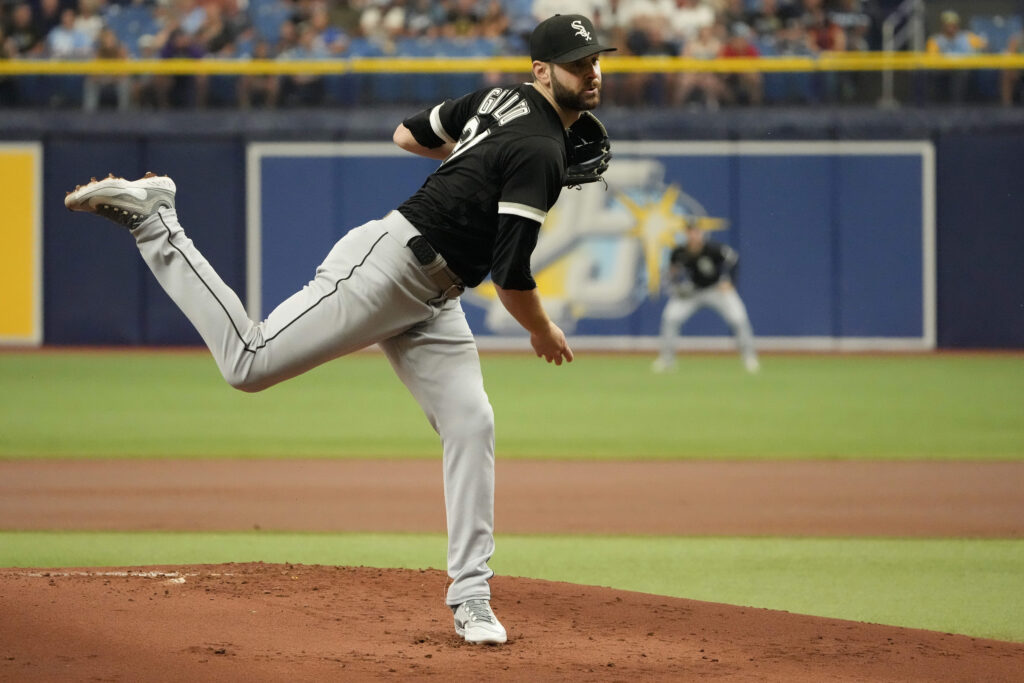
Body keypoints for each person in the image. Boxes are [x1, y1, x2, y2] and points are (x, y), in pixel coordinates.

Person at [64, 13, 615, 646]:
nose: (591, 71)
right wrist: (542, 332)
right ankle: (159, 222)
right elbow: (512, 274)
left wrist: (477, 159)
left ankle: (471, 597)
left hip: (437, 297)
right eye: (578, 63)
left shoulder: (500, 98)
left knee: (472, 423)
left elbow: (407, 136)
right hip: (386, 267)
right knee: (249, 362)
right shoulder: (542, 150)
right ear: (542, 71)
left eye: (596, 60)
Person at [652, 222, 759, 374]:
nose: (693, 236)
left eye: (696, 232)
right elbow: (672, 273)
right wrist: (676, 287)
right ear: (686, 234)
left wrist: (731, 282)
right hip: (693, 291)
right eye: (690, 232)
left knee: (738, 318)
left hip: (716, 290)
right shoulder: (679, 252)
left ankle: (749, 358)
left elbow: (734, 259)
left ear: (701, 234)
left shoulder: (713, 249)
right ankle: (666, 360)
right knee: (671, 318)